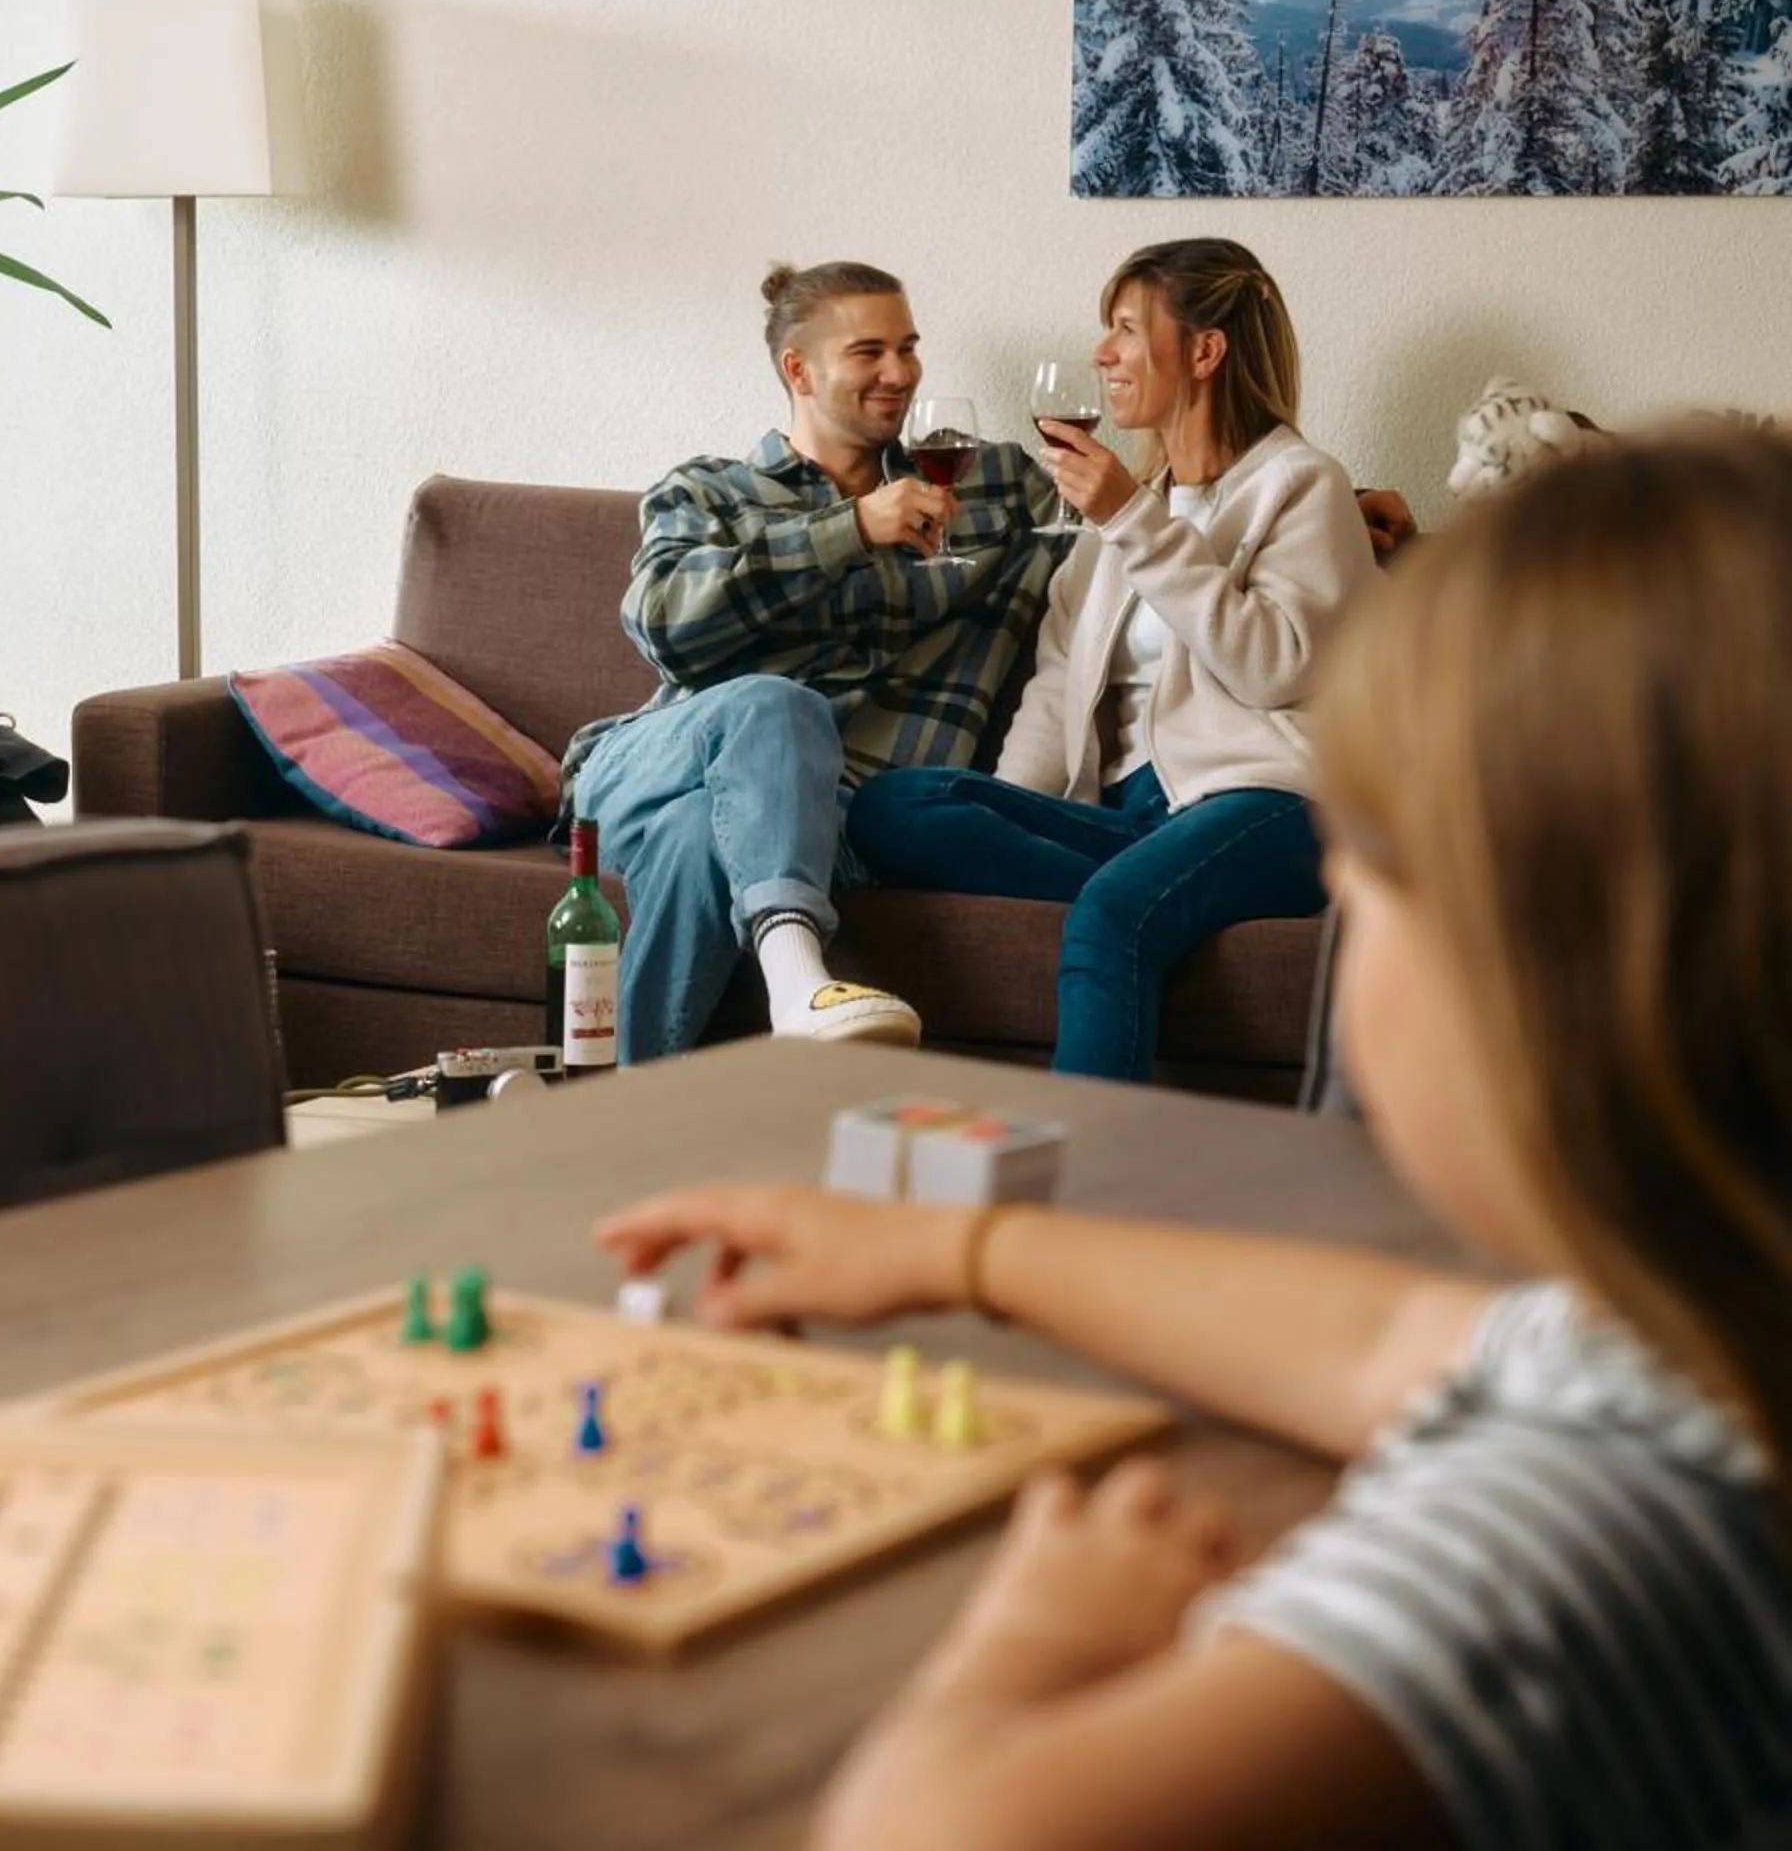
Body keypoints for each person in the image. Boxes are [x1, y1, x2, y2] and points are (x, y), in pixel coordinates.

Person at [595, 431, 1792, 1849]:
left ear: (1538, 981)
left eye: (1377, 869)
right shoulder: (1696, 1348)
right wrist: (960, 1246)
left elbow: (930, 1832)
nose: (1349, 898)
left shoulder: (1574, 1533)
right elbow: (1388, 1339)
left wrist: (1043, 1636)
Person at [845, 239, 1381, 1084]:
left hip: (1273, 802)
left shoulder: (1302, 486)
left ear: (1204, 351)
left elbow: (1274, 667)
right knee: (893, 806)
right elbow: (1057, 689)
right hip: (1135, 818)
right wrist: (1018, 811)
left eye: (1126, 330)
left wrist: (1133, 518)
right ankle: (1160, 888)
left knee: (1112, 914)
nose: (1103, 353)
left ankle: (1083, 1186)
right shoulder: (1121, 520)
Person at [563, 261, 1066, 1063]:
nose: (899, 374)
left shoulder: (989, 482)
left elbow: (1127, 529)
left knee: (700, 838)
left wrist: (1325, 512)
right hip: (653, 767)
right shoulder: (709, 492)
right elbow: (662, 623)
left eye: (908, 348)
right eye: (869, 353)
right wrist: (849, 532)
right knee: (774, 704)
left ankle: (621, 1112)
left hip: (824, 817)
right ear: (798, 368)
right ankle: (798, 976)